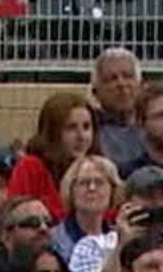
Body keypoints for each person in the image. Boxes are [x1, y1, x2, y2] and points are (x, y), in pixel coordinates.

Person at [10, 92, 98, 224]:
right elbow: (18, 217)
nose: (81, 136)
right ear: (53, 132)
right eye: (71, 128)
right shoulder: (30, 167)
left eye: (86, 127)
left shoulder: (99, 169)